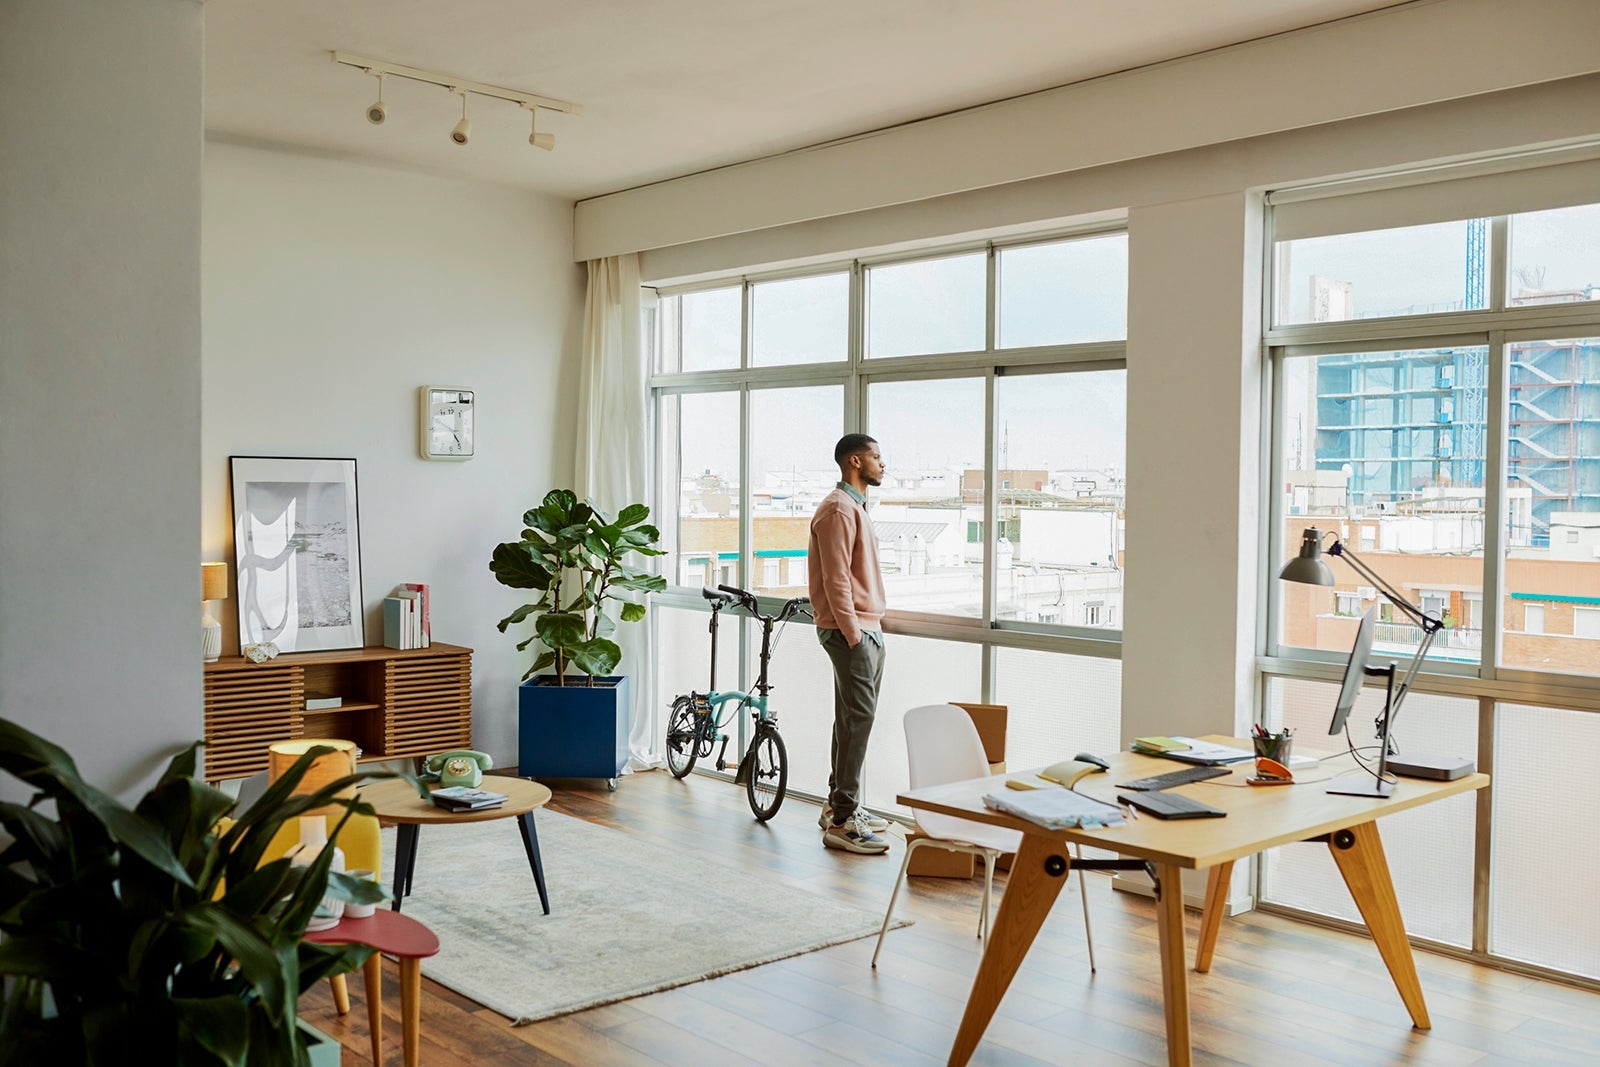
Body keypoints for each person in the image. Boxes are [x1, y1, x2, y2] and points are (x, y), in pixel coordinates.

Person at [808, 433, 892, 854]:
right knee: (858, 723)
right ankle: (843, 821)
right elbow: (836, 578)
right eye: (877, 457)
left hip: (864, 627)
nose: (883, 464)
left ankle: (837, 805)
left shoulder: (854, 507)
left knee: (850, 721)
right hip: (851, 630)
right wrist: (853, 632)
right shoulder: (839, 509)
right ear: (855, 462)